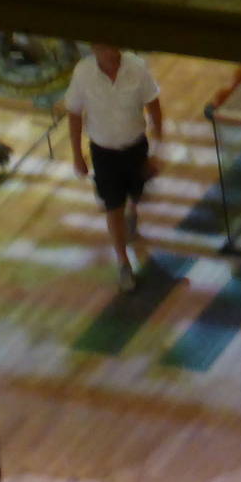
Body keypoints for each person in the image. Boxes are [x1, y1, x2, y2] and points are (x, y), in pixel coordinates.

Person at [66, 44, 165, 294]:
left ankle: (132, 210)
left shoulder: (137, 67)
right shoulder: (83, 73)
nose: (113, 52)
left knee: (136, 193)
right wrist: (77, 155)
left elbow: (153, 103)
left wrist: (158, 147)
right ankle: (123, 262)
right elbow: (74, 114)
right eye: (106, 46)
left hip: (135, 147)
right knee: (113, 207)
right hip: (104, 153)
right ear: (95, 48)